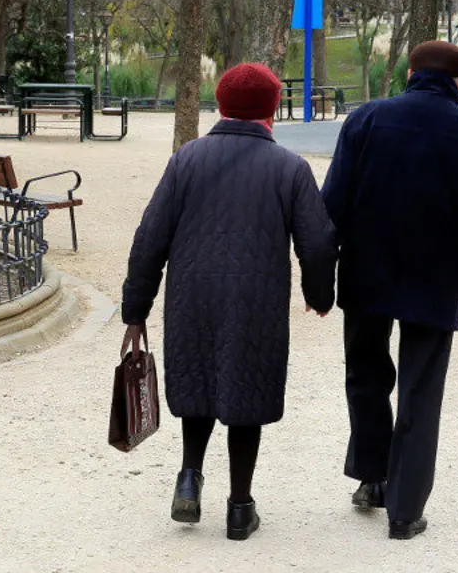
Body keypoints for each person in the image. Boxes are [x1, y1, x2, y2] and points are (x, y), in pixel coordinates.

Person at [121, 63, 337, 541]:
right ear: (273, 109)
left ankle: (189, 477)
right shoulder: (290, 168)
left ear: (220, 104)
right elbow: (318, 242)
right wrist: (320, 296)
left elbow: (149, 238)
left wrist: (135, 309)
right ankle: (240, 507)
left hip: (192, 292)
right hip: (255, 296)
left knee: (198, 380)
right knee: (247, 392)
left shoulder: (186, 160)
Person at [321, 40, 458, 540]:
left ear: (410, 73)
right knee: (421, 392)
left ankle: (371, 478)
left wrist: (325, 273)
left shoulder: (365, 120)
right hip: (435, 279)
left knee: (365, 376)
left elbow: (331, 205)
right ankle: (405, 511)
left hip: (366, 273)